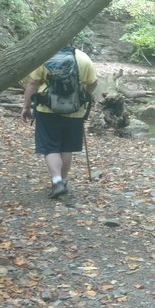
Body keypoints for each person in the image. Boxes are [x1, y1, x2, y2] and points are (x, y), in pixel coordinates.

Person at [21, 46, 98, 199]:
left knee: (50, 147)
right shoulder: (83, 58)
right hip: (75, 112)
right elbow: (93, 83)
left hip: (47, 110)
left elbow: (32, 83)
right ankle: (63, 181)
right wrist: (83, 96)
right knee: (66, 147)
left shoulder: (46, 56)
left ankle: (57, 182)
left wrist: (26, 106)